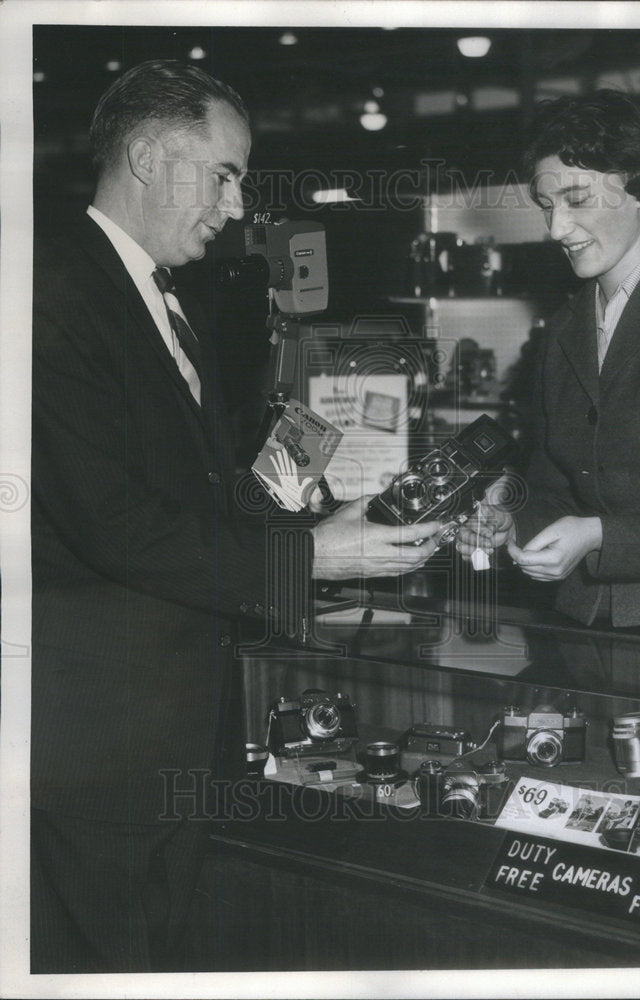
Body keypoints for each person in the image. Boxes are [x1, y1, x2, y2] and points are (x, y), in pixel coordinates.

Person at [31, 59, 441, 974]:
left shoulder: (162, 297)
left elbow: (200, 500)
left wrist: (326, 516)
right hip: (95, 747)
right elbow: (117, 527)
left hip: (166, 732)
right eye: (223, 172)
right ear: (144, 156)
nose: (237, 201)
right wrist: (315, 560)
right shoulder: (52, 296)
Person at [457, 90, 640, 629]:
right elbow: (556, 484)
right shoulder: (565, 326)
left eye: (578, 200)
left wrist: (598, 535)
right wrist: (510, 521)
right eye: (547, 205)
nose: (556, 229)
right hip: (581, 619)